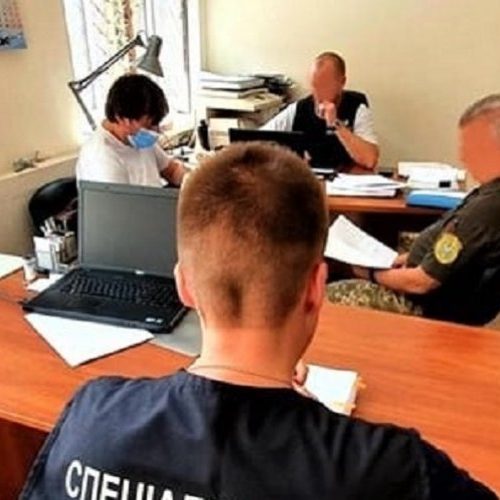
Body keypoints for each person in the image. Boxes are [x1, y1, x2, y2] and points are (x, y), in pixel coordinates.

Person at [21, 143, 495, 499]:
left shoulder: (91, 415)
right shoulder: (391, 469)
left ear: (185, 285)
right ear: (316, 287)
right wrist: (319, 435)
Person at [327, 94, 500, 323]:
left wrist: (369, 273)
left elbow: (421, 282)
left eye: (472, 147)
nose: (462, 156)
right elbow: (456, 252)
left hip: (424, 307)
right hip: (428, 281)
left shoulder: (485, 210)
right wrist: (404, 260)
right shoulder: (488, 194)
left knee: (324, 297)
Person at [262, 51, 379, 169]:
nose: (318, 94)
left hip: (347, 176)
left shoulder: (357, 107)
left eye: (326, 86)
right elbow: (259, 140)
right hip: (309, 176)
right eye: (315, 86)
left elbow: (370, 160)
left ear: (342, 83)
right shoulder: (299, 108)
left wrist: (336, 125)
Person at [76, 73, 187, 187]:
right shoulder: (101, 159)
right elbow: (122, 199)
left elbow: (171, 171)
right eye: (149, 125)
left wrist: (193, 179)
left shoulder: (138, 139)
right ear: (122, 118)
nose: (156, 131)